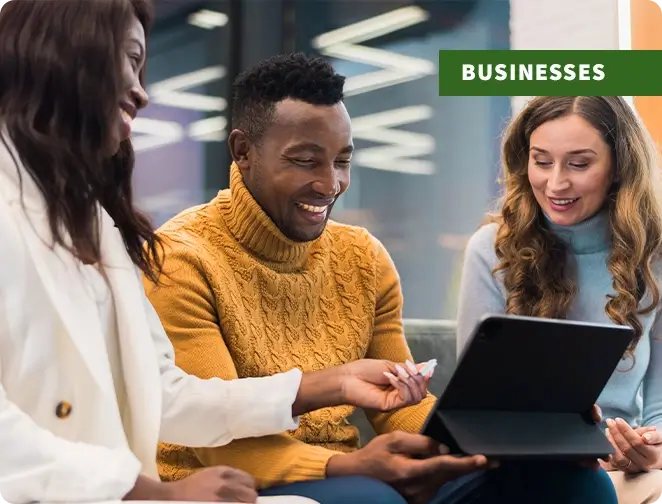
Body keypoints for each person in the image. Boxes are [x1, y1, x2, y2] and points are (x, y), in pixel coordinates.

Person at [0, 2, 435, 503]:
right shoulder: (181, 254)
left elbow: (165, 391)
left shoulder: (91, 223)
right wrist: (152, 495)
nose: (141, 92)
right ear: (58, 56)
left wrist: (331, 384)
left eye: (341, 161)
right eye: (130, 59)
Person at [144, 54, 619, 504]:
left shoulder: (362, 258)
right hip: (232, 482)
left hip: (359, 477)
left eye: (343, 160)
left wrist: (495, 444)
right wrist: (346, 468)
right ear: (243, 151)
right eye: (305, 160)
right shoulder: (181, 259)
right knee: (373, 499)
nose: (330, 183)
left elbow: (396, 403)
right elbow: (214, 438)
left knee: (578, 482)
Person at [455, 95, 662, 504]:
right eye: (541, 161)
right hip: (526, 471)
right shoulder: (491, 251)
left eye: (579, 164)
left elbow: (659, 402)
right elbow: (475, 408)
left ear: (620, 167)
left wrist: (653, 448)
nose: (556, 184)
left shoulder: (654, 256)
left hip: (624, 467)